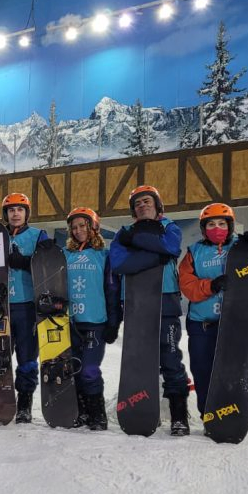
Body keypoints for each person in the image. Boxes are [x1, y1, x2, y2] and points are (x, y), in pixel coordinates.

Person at [108, 185, 191, 436]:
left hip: (165, 300)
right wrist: (155, 257)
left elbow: (171, 248)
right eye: (137, 203)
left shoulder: (169, 227)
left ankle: (179, 415)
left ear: (157, 205)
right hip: (135, 302)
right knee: (139, 360)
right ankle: (141, 409)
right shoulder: (124, 232)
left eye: (147, 201)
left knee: (170, 359)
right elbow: (120, 263)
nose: (142, 205)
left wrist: (137, 242)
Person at [179, 203, 248, 419]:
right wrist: (211, 285)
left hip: (233, 324)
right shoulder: (194, 252)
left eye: (222, 224)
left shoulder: (240, 247)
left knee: (232, 371)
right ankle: (208, 415)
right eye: (211, 224)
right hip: (202, 325)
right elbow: (187, 286)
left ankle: (230, 414)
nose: (217, 228)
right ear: (204, 228)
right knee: (202, 371)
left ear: (230, 226)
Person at [63, 208, 122, 429]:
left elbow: (112, 290)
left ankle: (98, 414)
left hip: (95, 322)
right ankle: (82, 412)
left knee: (90, 370)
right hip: (70, 322)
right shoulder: (65, 254)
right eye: (74, 227)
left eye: (83, 226)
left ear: (93, 227)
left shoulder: (104, 255)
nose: (78, 231)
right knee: (75, 368)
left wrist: (114, 322)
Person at [1, 193, 49, 423]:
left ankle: (24, 404)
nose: (15, 214)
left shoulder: (38, 235)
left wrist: (26, 262)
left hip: (27, 305)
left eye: (20, 209)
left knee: (27, 357)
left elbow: (48, 266)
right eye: (11, 210)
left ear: (27, 213)